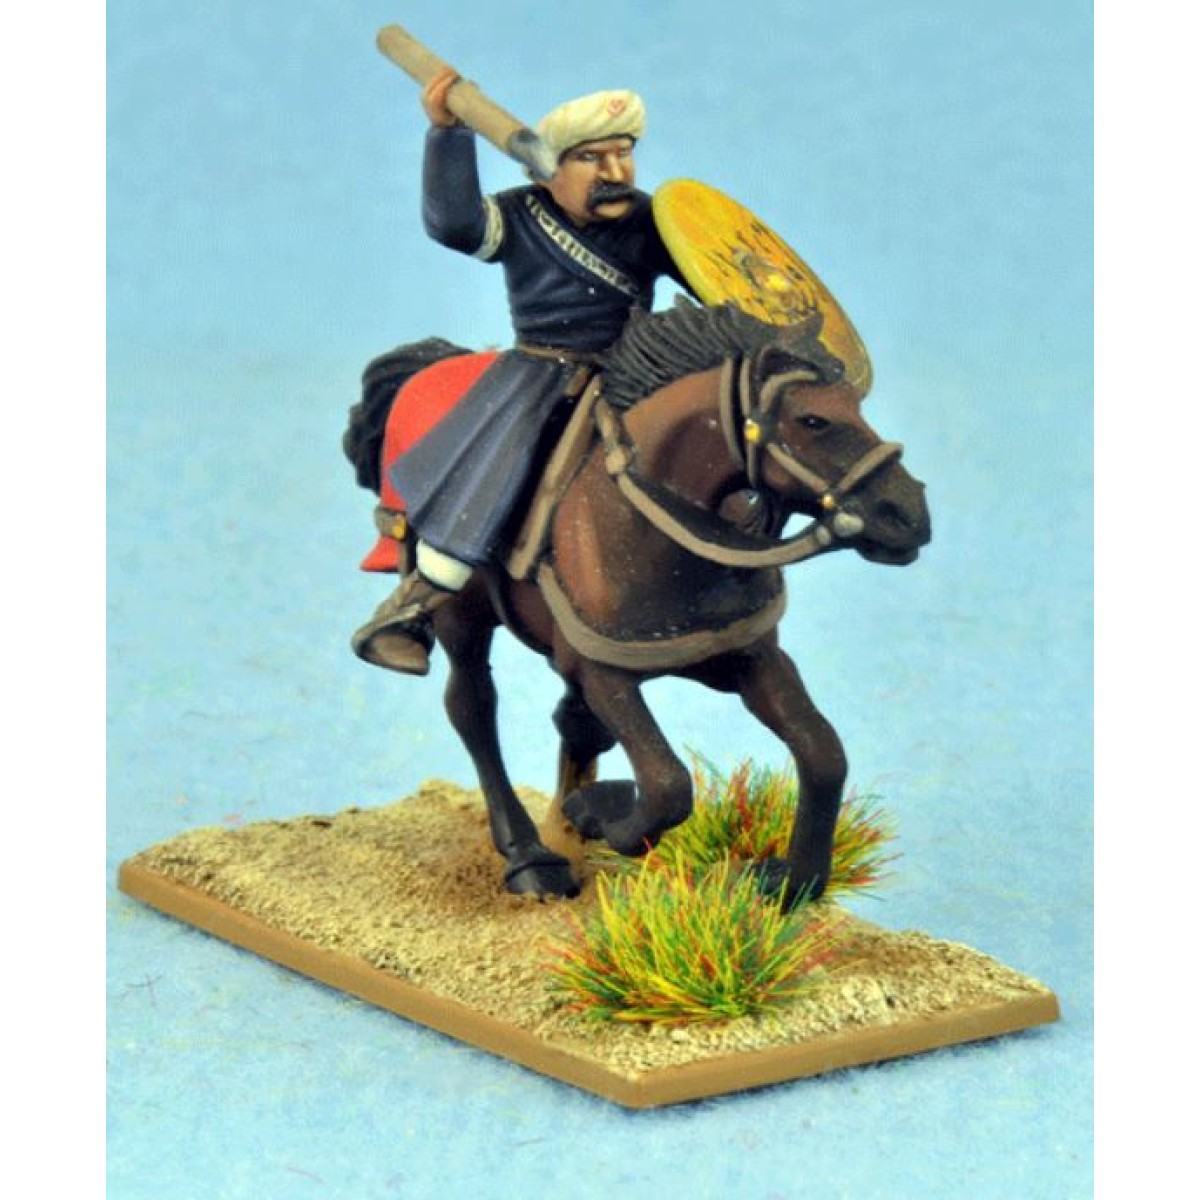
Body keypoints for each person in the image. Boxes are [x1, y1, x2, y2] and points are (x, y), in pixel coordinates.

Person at [352, 68, 689, 675]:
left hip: (634, 370)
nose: (615, 173)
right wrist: (448, 136)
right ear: (545, 171)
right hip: (541, 375)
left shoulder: (652, 220)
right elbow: (455, 225)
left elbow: (711, 279)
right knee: (495, 469)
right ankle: (413, 607)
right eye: (592, 158)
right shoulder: (521, 215)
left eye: (623, 154)